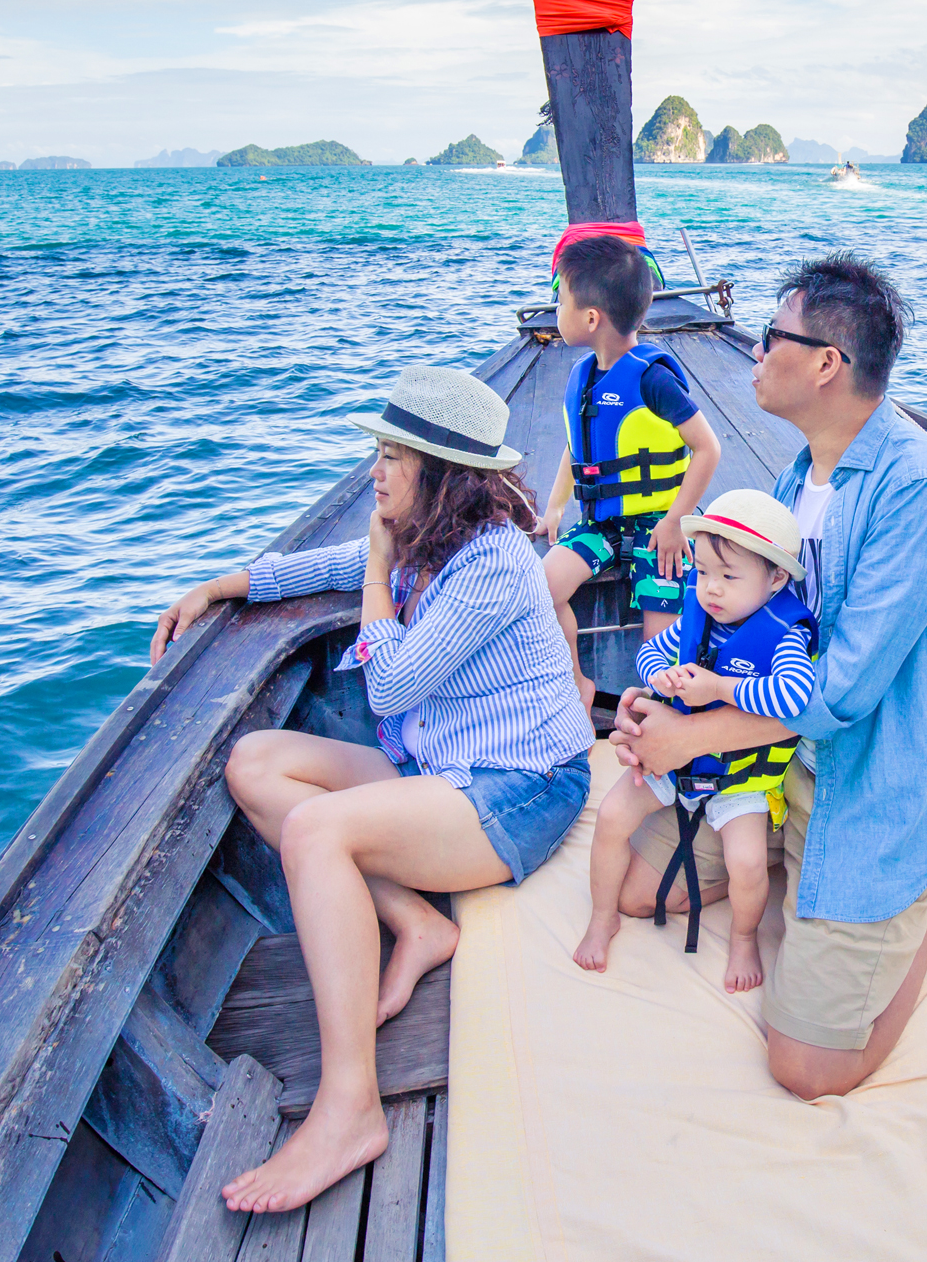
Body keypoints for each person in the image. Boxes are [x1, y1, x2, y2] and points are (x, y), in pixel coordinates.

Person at [149, 365, 594, 1213]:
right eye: (381, 452)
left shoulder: (493, 562)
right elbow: (314, 567)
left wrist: (377, 568)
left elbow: (389, 690)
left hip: (520, 787)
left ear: (443, 474)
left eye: (394, 456)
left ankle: (351, 1106)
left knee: (318, 833)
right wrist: (216, 586)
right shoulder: (428, 538)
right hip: (446, 772)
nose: (376, 472)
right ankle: (414, 920)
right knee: (255, 764)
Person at [611, 252, 927, 1099]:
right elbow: (755, 633)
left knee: (807, 1071)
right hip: (782, 765)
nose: (753, 354)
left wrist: (691, 739)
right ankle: (802, 866)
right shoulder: (800, 477)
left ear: (826, 363)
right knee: (647, 892)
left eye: (768, 338)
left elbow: (840, 694)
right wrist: (656, 706)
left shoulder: (921, 496)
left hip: (873, 783)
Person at [573, 489, 817, 993]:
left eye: (729, 577)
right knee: (613, 815)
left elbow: (794, 695)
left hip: (738, 781)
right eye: (703, 573)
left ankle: (745, 937)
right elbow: (650, 653)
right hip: (673, 765)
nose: (711, 590)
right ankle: (602, 917)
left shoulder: (784, 633)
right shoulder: (697, 617)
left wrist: (716, 689)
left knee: (746, 863)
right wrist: (660, 676)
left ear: (775, 579)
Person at [538, 233, 722, 705]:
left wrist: (676, 521)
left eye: (561, 301)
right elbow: (577, 449)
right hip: (599, 524)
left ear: (591, 317)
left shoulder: (652, 378)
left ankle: (653, 714)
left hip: (658, 529)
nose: (556, 311)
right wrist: (555, 508)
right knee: (542, 589)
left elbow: (708, 449)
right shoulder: (584, 377)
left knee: (658, 644)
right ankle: (577, 681)